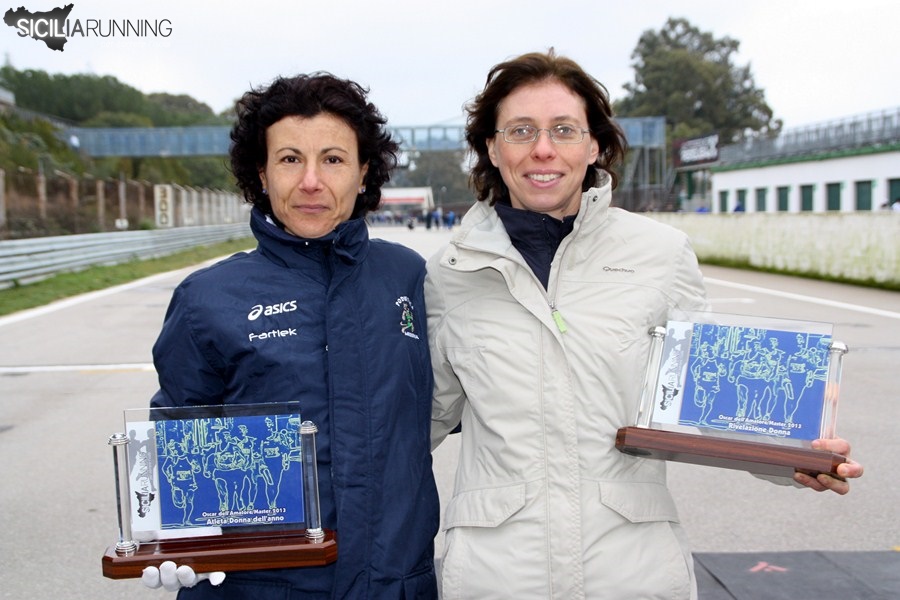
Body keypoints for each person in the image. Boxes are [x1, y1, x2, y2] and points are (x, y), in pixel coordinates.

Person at [425, 50, 863, 600]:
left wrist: (798, 454)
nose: (543, 149)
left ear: (593, 146)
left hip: (634, 572)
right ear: (492, 147)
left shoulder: (660, 254)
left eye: (564, 129)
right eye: (521, 130)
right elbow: (415, 420)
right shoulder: (449, 273)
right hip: (497, 577)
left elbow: (716, 396)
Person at [142, 73, 439, 598]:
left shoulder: (406, 276)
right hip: (258, 586)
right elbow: (178, 451)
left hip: (395, 583)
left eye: (333, 159)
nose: (311, 181)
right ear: (262, 173)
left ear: (363, 172)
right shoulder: (207, 298)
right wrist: (173, 536)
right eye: (289, 159)